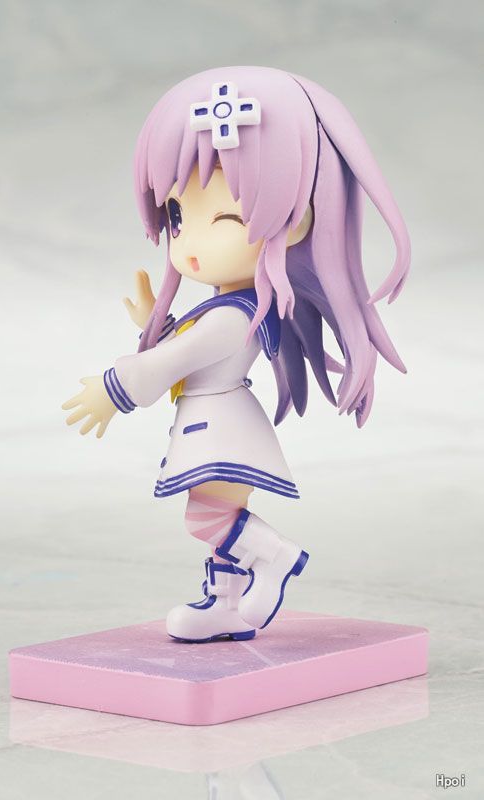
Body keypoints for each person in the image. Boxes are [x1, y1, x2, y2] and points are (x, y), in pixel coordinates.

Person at [62, 66, 410, 643]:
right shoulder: (228, 307)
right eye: (178, 217)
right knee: (212, 518)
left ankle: (274, 556)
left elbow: (174, 363)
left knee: (207, 518)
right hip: (214, 424)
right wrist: (158, 323)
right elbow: (187, 347)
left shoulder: (235, 315)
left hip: (221, 428)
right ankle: (224, 605)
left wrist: (112, 389)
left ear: (296, 221)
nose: (191, 245)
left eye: (226, 218)